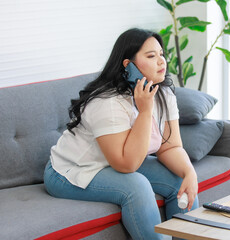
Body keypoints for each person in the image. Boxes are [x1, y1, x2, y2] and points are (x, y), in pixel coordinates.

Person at [44, 28, 199, 240]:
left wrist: (189, 172)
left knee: (179, 179)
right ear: (128, 65)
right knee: (137, 186)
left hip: (119, 161)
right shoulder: (107, 102)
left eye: (161, 54)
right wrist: (144, 111)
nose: (161, 61)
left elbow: (170, 146)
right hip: (72, 172)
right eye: (151, 56)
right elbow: (127, 165)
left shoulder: (162, 92)